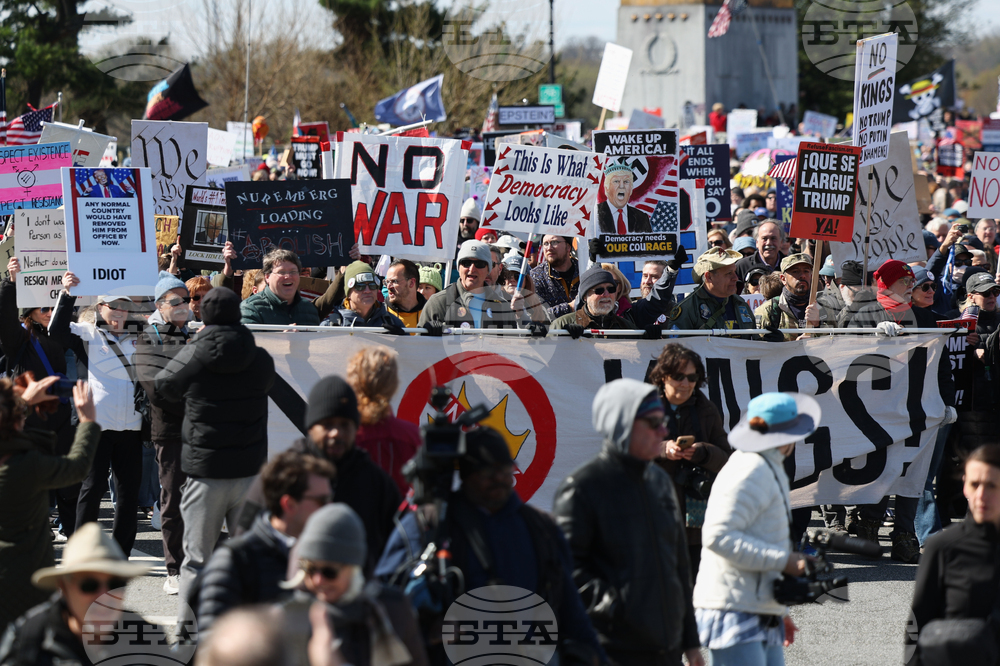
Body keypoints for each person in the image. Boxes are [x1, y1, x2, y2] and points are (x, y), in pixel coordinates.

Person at [377, 427, 605, 665]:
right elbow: (384, 601)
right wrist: (426, 631)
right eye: (487, 472)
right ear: (466, 475)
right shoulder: (429, 526)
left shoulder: (540, 528)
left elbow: (573, 613)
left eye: (504, 470)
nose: (498, 478)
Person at [553, 378, 703, 666]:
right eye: (653, 423)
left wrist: (691, 641)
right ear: (622, 424)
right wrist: (621, 607)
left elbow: (678, 564)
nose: (664, 431)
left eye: (663, 421)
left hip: (666, 648)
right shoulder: (582, 488)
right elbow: (565, 572)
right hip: (612, 651)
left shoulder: (659, 480)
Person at [154, 287, 276, 607]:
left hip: (205, 472)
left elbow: (163, 386)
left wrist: (194, 397)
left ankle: (189, 640)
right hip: (249, 471)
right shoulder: (258, 356)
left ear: (203, 315)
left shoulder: (194, 353)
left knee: (196, 561)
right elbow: (267, 383)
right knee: (249, 560)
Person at [694, 392, 817, 666]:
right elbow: (717, 537)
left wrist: (778, 609)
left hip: (753, 604)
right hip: (733, 607)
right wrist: (784, 561)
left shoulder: (763, 466)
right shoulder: (750, 469)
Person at [238, 376, 400, 577]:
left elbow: (399, 549)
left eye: (344, 424)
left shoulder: (376, 483)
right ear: (311, 427)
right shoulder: (279, 476)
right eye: (327, 424)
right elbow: (243, 538)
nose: (336, 433)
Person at [49, 277, 145, 557]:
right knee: (92, 489)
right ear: (100, 307)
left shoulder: (141, 336)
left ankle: (120, 554)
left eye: (124, 307)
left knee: (128, 495)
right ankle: (81, 550)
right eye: (113, 306)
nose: (119, 311)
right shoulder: (86, 334)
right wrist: (67, 295)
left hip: (131, 426)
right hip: (97, 426)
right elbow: (56, 332)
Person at [196, 450, 335, 633]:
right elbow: (211, 643)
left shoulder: (330, 553)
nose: (330, 508)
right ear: (289, 504)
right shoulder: (236, 559)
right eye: (321, 500)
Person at [0, 378, 99, 631]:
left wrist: (21, 404)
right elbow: (77, 467)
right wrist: (88, 422)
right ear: (15, 421)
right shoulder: (27, 466)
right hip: (27, 576)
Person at [282, 504, 430, 666]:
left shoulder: (391, 608)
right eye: (310, 569)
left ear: (354, 568)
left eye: (329, 572)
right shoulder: (292, 617)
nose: (318, 580)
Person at [0, 522, 150, 666]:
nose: (104, 597)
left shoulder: (143, 637)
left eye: (115, 585)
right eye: (89, 586)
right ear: (64, 588)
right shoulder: (29, 640)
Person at [1, 259, 78, 538]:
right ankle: (37, 526)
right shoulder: (17, 340)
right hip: (31, 416)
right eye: (43, 308)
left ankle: (72, 530)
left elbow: (61, 323)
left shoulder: (60, 335)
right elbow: (6, 318)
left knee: (67, 477)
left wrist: (67, 295)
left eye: (51, 307)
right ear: (29, 313)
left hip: (61, 414)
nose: (48, 313)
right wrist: (11, 282)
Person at [905, 444, 1000, 666]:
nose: (981, 496)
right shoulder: (943, 546)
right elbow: (918, 622)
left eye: (992, 486)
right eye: (974, 484)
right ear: (964, 485)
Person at [134, 271, 193, 596]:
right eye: (176, 300)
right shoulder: (149, 336)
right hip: (170, 431)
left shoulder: (196, 333)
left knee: (203, 501)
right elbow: (156, 388)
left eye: (186, 299)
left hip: (199, 432)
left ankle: (198, 563)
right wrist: (194, 396)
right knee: (173, 500)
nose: (184, 305)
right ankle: (175, 569)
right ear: (160, 305)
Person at [650, 344, 730, 576]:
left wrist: (702, 452)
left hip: (698, 516)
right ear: (663, 376)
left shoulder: (706, 409)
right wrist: (665, 449)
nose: (685, 384)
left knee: (697, 587)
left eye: (692, 377)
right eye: (678, 377)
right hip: (655, 515)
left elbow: (727, 459)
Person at [346, 348, 420, 497]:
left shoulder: (342, 437)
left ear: (353, 382)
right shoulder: (412, 435)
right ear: (394, 384)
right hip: (399, 517)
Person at [418, 240, 524, 330]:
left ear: (488, 269)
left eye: (479, 264)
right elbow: (420, 347)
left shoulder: (502, 306)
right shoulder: (439, 302)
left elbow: (510, 348)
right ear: (459, 267)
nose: (472, 269)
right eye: (466, 263)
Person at [670, 247, 756, 331]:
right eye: (729, 273)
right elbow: (677, 344)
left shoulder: (740, 303)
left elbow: (754, 340)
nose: (736, 278)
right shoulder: (687, 309)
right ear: (709, 277)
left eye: (734, 272)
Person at [240, 249, 321, 325]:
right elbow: (248, 339)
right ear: (267, 277)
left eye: (293, 272)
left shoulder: (309, 310)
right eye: (281, 272)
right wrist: (283, 338)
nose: (288, 276)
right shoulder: (250, 308)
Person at [754, 254, 826, 341]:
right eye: (795, 271)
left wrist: (818, 326)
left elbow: (835, 344)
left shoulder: (823, 308)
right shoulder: (768, 310)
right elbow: (757, 348)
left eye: (806, 271)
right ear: (783, 279)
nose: (802, 275)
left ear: (811, 276)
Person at [323, 262, 404, 330]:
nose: (367, 291)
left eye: (372, 285)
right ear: (348, 293)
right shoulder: (329, 327)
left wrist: (400, 342)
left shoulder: (393, 324)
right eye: (360, 286)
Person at [552, 266, 633, 334]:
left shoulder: (628, 328)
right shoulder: (561, 325)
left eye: (611, 289)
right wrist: (563, 337)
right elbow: (546, 351)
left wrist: (645, 337)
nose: (606, 294)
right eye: (599, 290)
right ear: (585, 296)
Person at [530, 235, 579, 320]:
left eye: (554, 242)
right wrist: (570, 307)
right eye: (545, 243)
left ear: (568, 247)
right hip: (553, 332)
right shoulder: (536, 276)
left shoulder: (584, 270)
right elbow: (537, 314)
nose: (549, 248)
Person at [597, 162, 652, 234]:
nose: (622, 186)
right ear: (607, 188)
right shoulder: (595, 214)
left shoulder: (641, 218)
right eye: (616, 181)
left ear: (631, 189)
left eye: (626, 181)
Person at [384, 259, 426, 328]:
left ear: (411, 283)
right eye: (387, 282)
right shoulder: (380, 313)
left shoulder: (430, 313)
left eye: (394, 281)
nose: (388, 287)